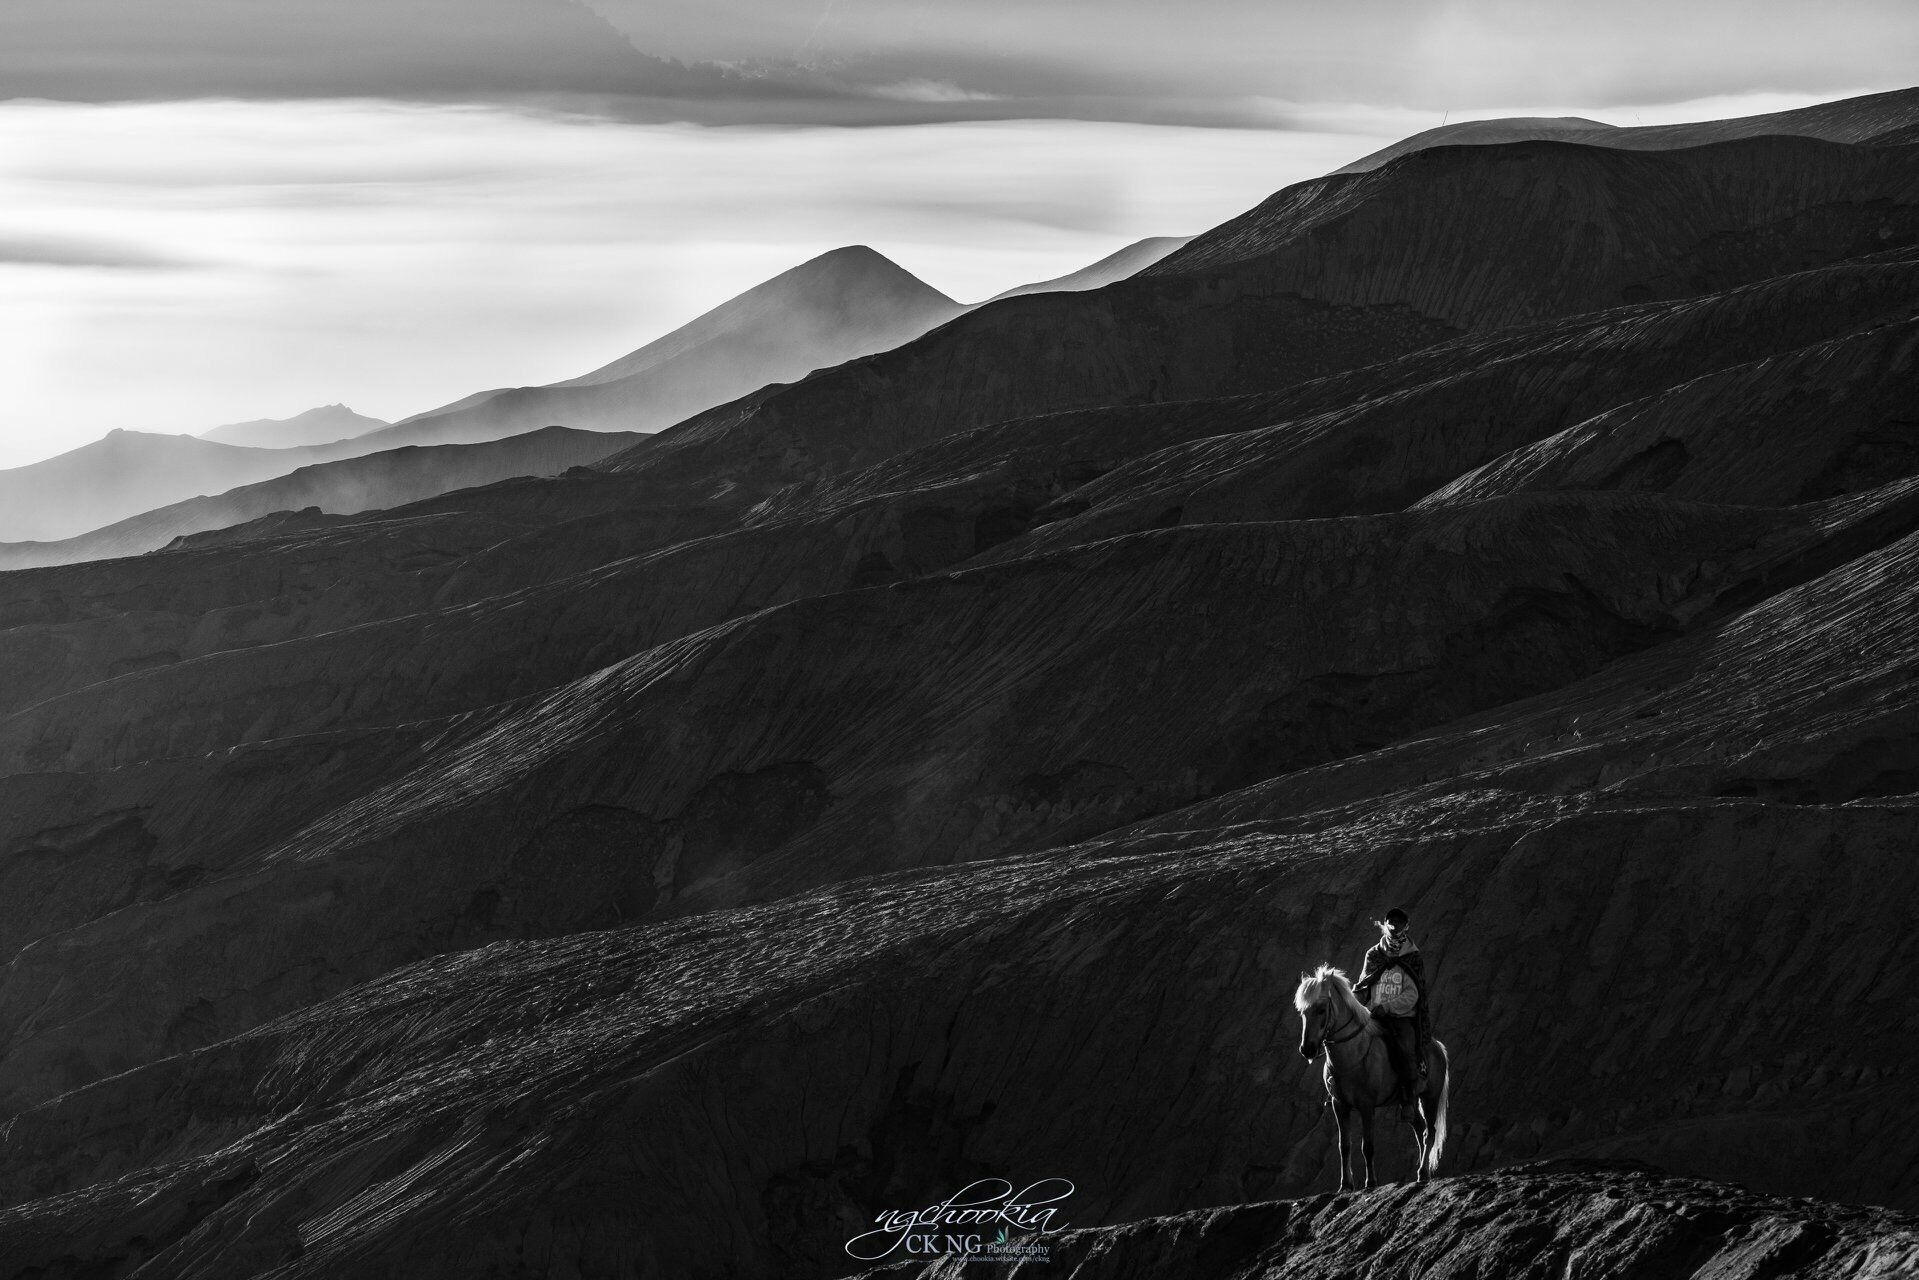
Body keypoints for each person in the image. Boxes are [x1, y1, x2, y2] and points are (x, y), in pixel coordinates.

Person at [1353, 907, 1431, 1103]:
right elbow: (1365, 983)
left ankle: (1409, 1097)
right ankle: (1339, 1090)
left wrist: (1387, 1007)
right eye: (1391, 922)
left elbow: (1413, 995)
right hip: (1374, 1015)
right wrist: (1353, 1001)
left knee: (1405, 1050)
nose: (1395, 926)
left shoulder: (1412, 957)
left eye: (1400, 923)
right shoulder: (1373, 955)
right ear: (1385, 924)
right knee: (1348, 1041)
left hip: (1401, 1017)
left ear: (1407, 926)